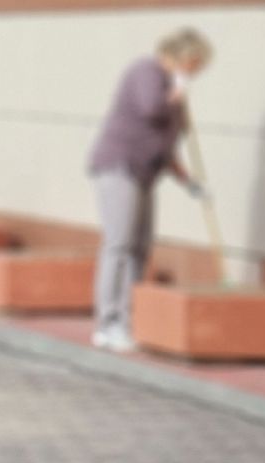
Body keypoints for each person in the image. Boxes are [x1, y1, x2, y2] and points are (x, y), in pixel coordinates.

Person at [86, 28, 211, 352]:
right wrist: (176, 95)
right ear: (179, 55)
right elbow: (150, 109)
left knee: (141, 247)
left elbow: (166, 146)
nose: (195, 71)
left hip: (144, 175)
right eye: (193, 64)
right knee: (119, 243)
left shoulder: (173, 91)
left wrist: (188, 181)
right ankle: (107, 323)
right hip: (118, 168)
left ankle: (128, 321)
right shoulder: (147, 72)